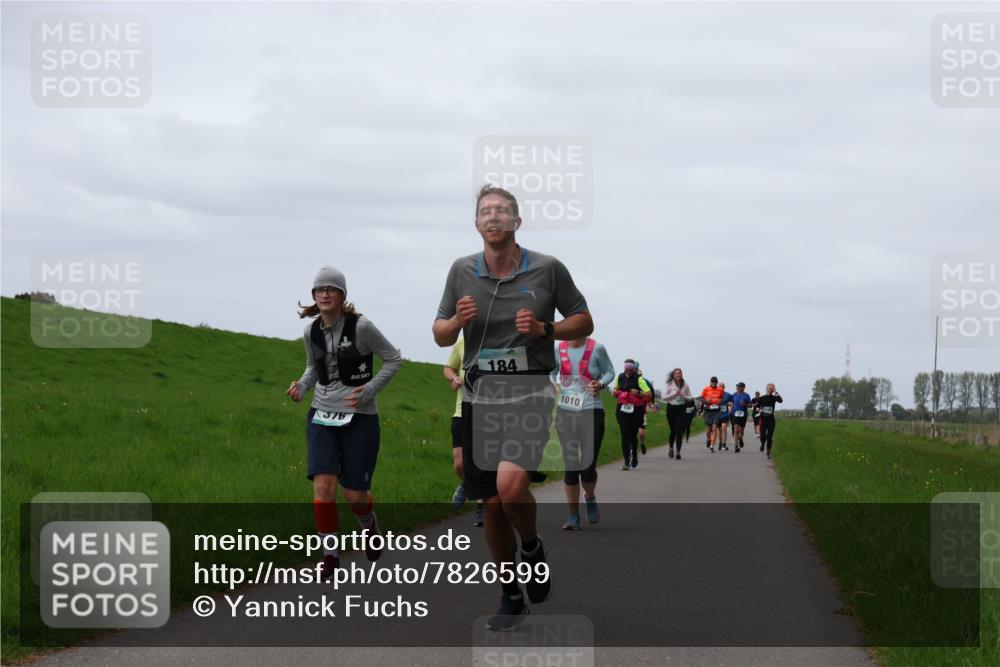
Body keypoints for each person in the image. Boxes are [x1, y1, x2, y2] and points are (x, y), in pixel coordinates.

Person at [433, 184, 593, 631]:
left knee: (509, 484)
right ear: (477, 223)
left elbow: (584, 319)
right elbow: (441, 334)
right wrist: (457, 322)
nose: (494, 217)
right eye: (486, 211)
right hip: (478, 397)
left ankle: (531, 547)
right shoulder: (461, 271)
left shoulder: (547, 268)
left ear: (517, 221)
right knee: (491, 500)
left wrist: (546, 328)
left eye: (503, 211)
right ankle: (509, 594)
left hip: (528, 391)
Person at [286, 266, 402, 579]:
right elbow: (314, 368)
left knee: (355, 495)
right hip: (322, 414)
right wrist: (301, 385)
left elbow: (394, 359)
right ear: (313, 296)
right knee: (324, 486)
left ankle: (369, 524)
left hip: (360, 418)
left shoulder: (361, 327)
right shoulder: (311, 331)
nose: (324, 294)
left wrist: (369, 390)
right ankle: (330, 555)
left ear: (342, 295)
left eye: (331, 289)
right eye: (319, 290)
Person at [550, 336, 615, 531]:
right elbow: (551, 372)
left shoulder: (598, 348)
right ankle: (573, 516)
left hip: (591, 410)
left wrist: (600, 384)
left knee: (587, 467)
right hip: (566, 411)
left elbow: (610, 372)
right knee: (571, 466)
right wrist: (554, 384)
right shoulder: (558, 348)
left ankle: (590, 496)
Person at [443, 337, 485, 527]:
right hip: (462, 411)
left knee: (480, 462)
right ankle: (467, 484)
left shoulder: (496, 341)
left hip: (488, 413)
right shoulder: (462, 342)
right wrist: (454, 378)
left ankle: (481, 507)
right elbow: (448, 367)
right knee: (460, 464)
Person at [612, 359, 653, 469]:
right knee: (625, 434)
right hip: (622, 410)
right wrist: (615, 393)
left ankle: (634, 454)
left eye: (631, 369)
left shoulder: (639, 379)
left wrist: (638, 392)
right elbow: (615, 389)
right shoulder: (620, 377)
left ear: (634, 369)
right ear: (624, 368)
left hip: (636, 411)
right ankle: (626, 462)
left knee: (632, 435)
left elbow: (649, 394)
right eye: (627, 369)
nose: (629, 371)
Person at [662, 368, 692, 460]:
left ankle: (678, 452)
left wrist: (683, 396)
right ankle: (671, 447)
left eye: (679, 373)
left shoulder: (685, 385)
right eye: (676, 373)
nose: (678, 375)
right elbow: (664, 397)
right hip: (671, 408)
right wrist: (674, 394)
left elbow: (690, 398)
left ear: (681, 375)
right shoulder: (669, 385)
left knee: (679, 431)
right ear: (673, 375)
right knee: (673, 431)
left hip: (681, 408)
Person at [758, 384, 784, 460]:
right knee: (763, 436)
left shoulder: (774, 398)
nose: (770, 390)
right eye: (769, 388)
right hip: (763, 419)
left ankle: (768, 452)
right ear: (766, 389)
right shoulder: (762, 398)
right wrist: (758, 409)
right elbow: (757, 406)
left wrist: (776, 391)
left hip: (771, 420)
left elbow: (780, 400)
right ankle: (762, 443)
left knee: (769, 436)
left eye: (771, 389)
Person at [700, 376, 725, 453]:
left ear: (717, 383)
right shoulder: (706, 389)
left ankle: (711, 446)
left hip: (717, 411)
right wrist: (706, 400)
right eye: (712, 382)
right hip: (708, 411)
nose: (714, 384)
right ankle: (708, 439)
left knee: (714, 428)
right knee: (708, 431)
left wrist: (720, 401)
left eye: (715, 382)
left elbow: (722, 398)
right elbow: (701, 399)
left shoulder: (720, 390)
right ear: (710, 382)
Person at [729, 382, 753, 453]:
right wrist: (730, 408)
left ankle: (740, 438)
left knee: (741, 431)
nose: (737, 388)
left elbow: (750, 405)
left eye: (739, 387)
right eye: (737, 387)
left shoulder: (746, 396)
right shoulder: (733, 395)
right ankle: (736, 446)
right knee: (736, 429)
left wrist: (745, 404)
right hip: (735, 414)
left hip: (743, 415)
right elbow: (731, 403)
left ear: (743, 388)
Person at [636, 366, 654, 455]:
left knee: (641, 433)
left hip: (642, 411)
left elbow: (649, 394)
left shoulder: (644, 385)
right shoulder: (628, 383)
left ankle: (642, 443)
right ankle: (632, 450)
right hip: (630, 411)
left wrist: (650, 402)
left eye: (639, 375)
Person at [717, 382, 732, 451]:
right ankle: (720, 442)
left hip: (725, 414)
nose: (721, 388)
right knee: (719, 430)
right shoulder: (715, 394)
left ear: (724, 387)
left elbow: (732, 402)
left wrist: (730, 407)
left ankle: (724, 444)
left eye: (722, 386)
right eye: (720, 386)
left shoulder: (728, 395)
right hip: (718, 414)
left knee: (724, 429)